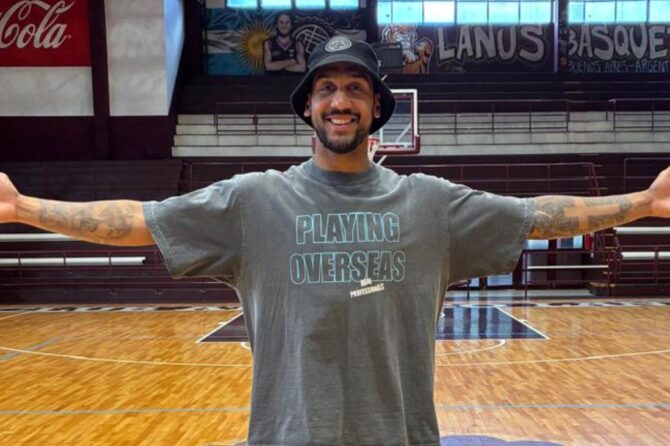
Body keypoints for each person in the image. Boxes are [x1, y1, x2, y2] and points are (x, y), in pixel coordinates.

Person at [1, 36, 669, 445]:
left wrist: (643, 202)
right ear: (308, 107)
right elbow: (141, 219)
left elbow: (537, 215)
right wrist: (24, 208)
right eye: (326, 88)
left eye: (355, 88)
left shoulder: (430, 204)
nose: (340, 100)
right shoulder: (253, 201)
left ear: (377, 108)